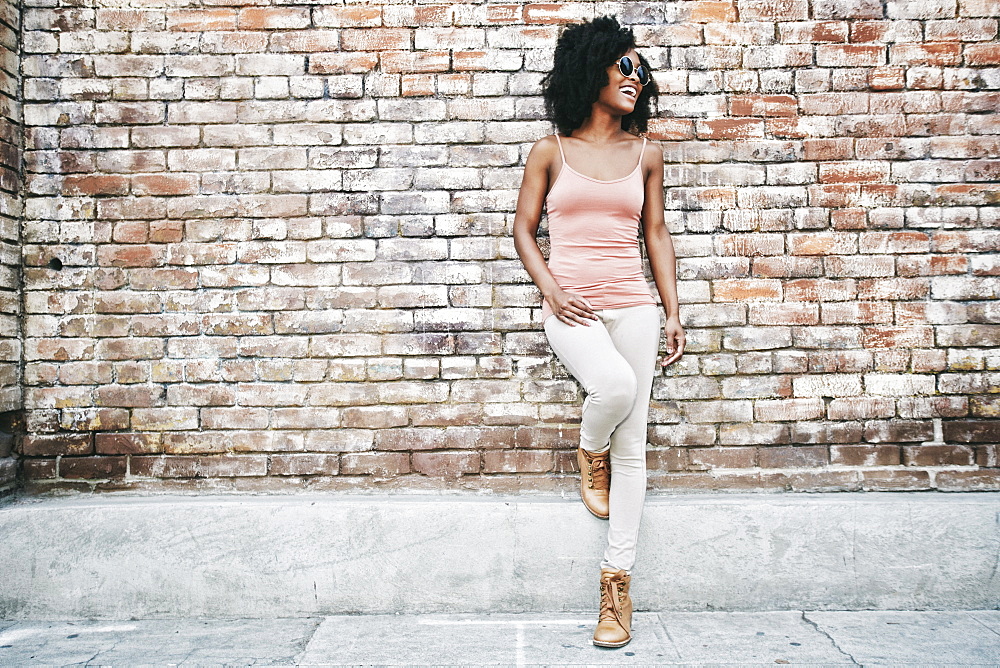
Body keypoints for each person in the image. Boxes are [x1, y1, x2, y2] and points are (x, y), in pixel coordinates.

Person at [512, 16, 685, 648]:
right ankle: (591, 447)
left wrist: (670, 308)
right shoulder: (550, 150)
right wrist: (552, 290)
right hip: (571, 308)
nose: (636, 77)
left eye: (642, 69)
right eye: (625, 66)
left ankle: (616, 587)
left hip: (633, 305)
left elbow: (655, 234)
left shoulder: (647, 154)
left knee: (635, 448)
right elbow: (524, 230)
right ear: (593, 71)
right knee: (611, 387)